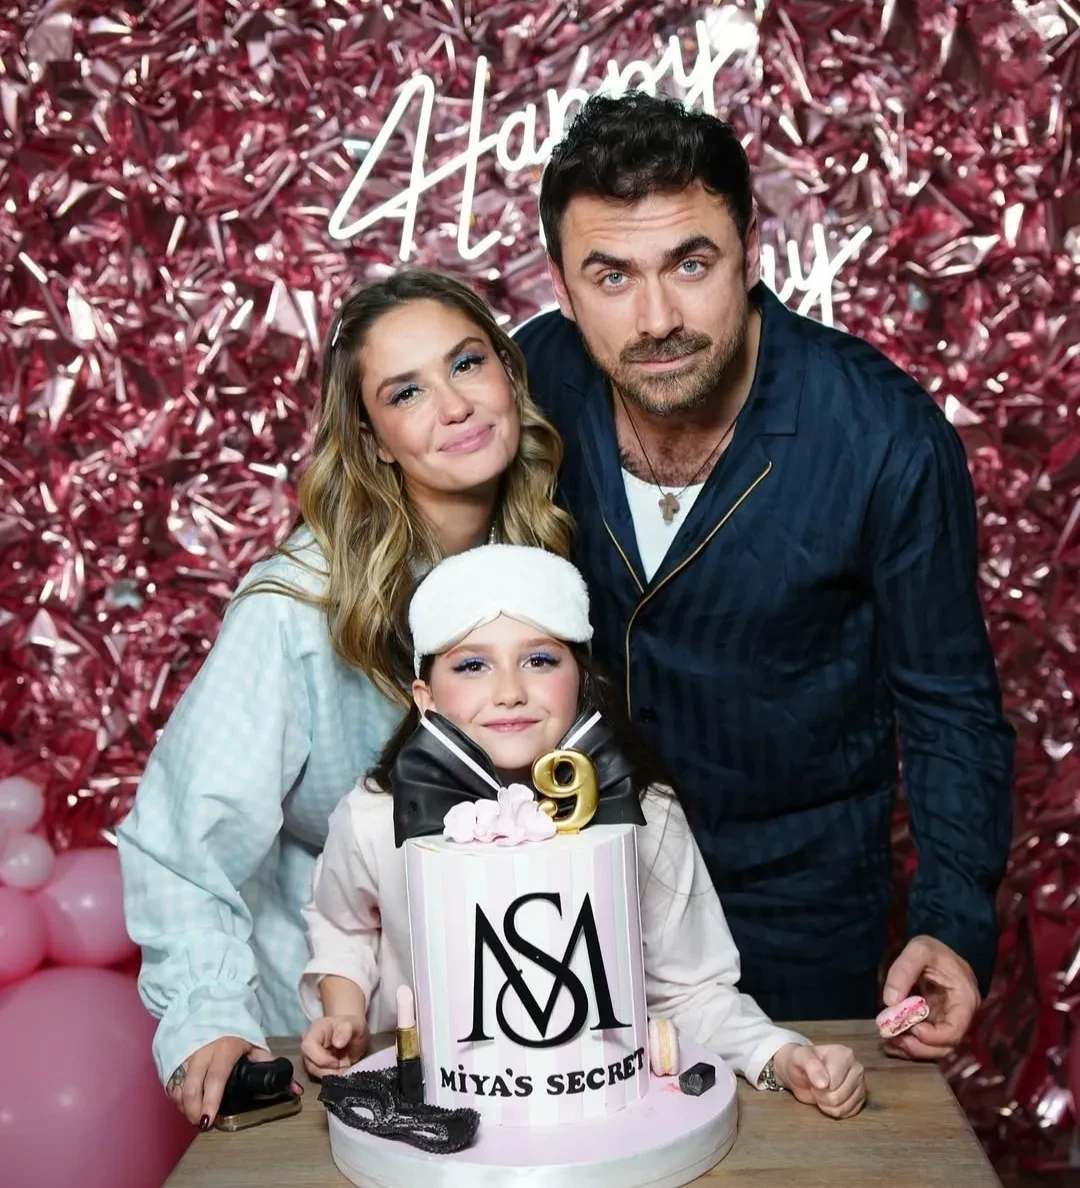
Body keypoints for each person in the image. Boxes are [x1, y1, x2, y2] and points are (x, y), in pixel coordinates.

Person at [512, 91, 1015, 1053]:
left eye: (690, 263)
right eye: (611, 276)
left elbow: (949, 702)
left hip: (796, 905)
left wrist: (953, 923)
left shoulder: (883, 435)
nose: (657, 318)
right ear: (563, 288)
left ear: (749, 252)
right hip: (568, 879)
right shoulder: (525, 386)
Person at [117, 270, 573, 1128]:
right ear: (373, 438)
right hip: (341, 1026)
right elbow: (180, 843)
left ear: (508, 375)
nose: (455, 406)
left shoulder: (557, 555)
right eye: (407, 391)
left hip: (535, 1015)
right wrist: (207, 1017)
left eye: (466, 363)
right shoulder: (296, 605)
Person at [298, 544, 867, 1119]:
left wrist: (782, 1055)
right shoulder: (375, 817)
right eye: (472, 665)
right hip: (429, 1118)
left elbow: (693, 991)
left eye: (539, 660)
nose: (509, 691)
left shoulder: (646, 815)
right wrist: (344, 1013)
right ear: (425, 697)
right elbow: (344, 926)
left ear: (581, 678)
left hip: (600, 1121)